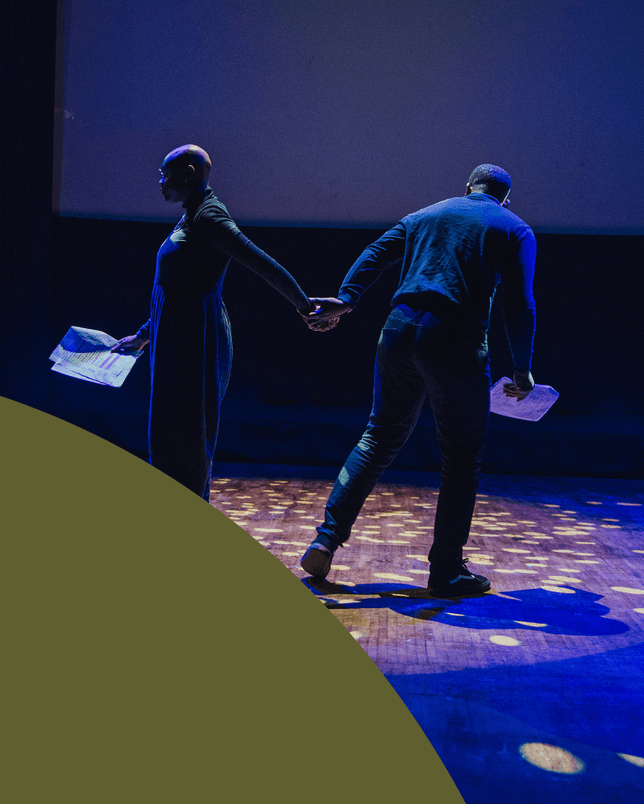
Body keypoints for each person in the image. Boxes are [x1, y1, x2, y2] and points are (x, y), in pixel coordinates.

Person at [300, 164, 536, 597]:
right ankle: (446, 570)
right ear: (504, 198)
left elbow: (375, 253)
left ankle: (326, 539)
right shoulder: (514, 227)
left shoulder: (424, 214)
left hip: (398, 330)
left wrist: (348, 298)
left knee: (377, 438)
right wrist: (521, 371)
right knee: (461, 458)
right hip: (455, 340)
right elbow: (520, 306)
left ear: (467, 188)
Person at [113, 145, 314, 500]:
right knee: (170, 434)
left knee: (187, 438)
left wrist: (305, 306)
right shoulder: (192, 213)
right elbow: (177, 288)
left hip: (195, 340)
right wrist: (145, 335)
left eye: (165, 173)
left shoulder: (209, 217)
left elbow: (260, 262)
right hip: (175, 336)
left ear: (188, 173)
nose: (160, 181)